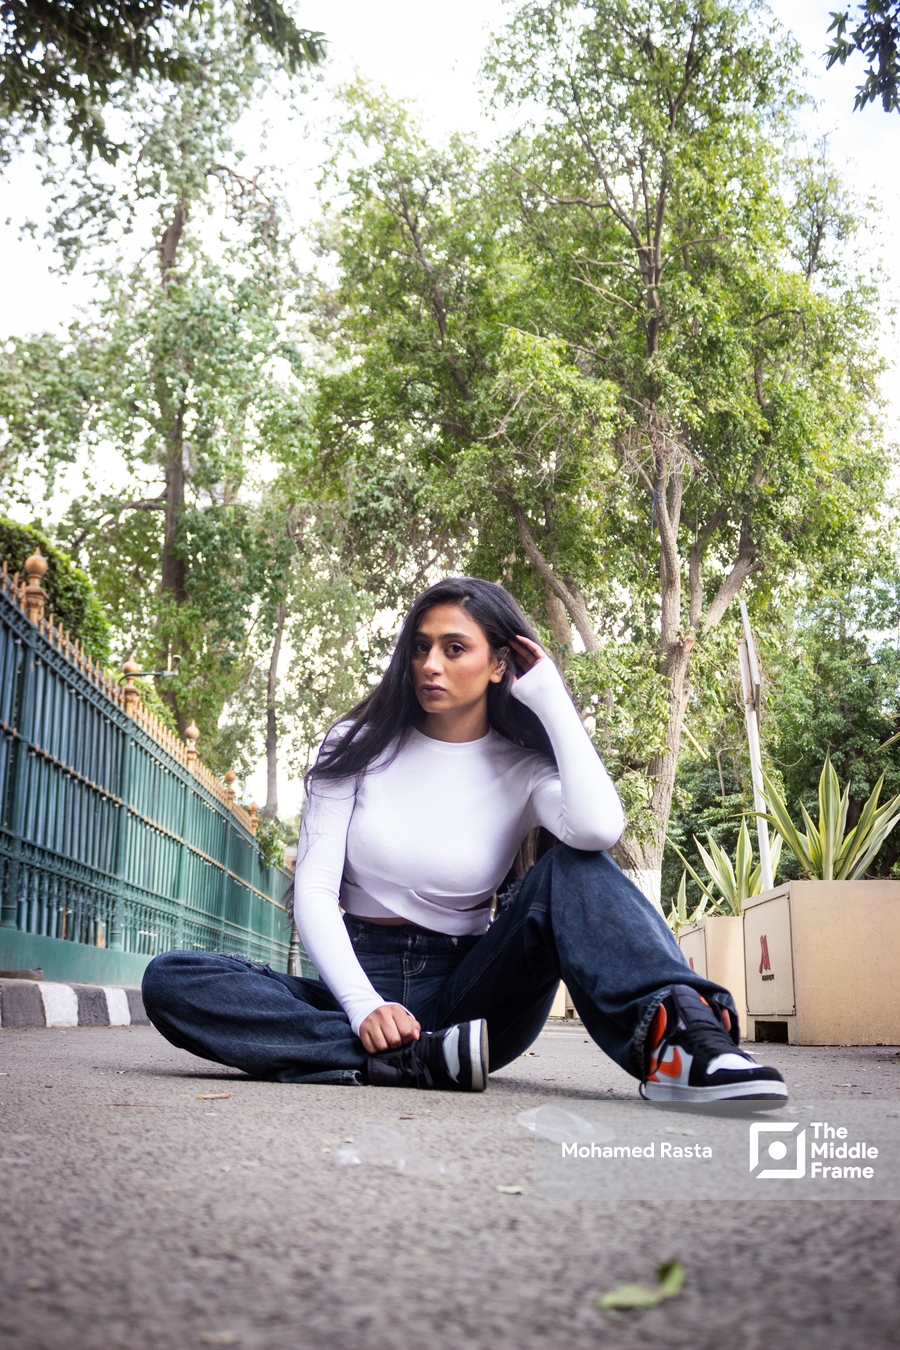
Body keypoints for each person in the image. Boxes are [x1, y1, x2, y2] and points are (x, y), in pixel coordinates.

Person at [142, 577, 787, 1105]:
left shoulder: (523, 767)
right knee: (174, 982)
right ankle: (413, 1061)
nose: (430, 664)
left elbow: (598, 829)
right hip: (354, 991)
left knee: (574, 866)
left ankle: (682, 1044)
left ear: (500, 663)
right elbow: (312, 889)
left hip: (473, 1001)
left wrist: (553, 698)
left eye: (455, 648)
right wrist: (364, 1005)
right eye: (420, 648)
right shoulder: (355, 746)